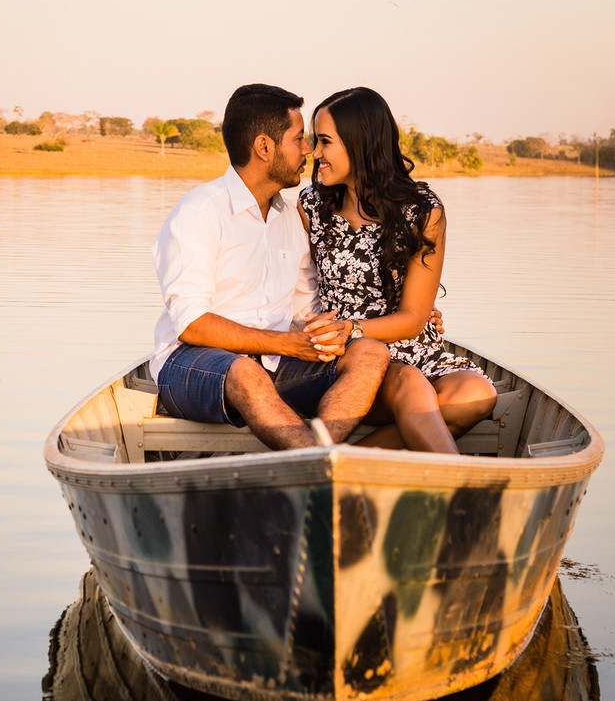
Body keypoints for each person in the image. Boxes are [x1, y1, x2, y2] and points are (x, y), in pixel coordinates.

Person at [150, 83, 390, 452]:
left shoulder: (291, 218)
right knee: (246, 373)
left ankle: (324, 450)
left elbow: (306, 309)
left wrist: (322, 333)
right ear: (264, 147)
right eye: (299, 139)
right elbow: (192, 323)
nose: (309, 150)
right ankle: (312, 462)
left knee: (370, 353)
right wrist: (288, 344)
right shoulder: (200, 212)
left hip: (277, 362)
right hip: (191, 364)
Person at [298, 87, 497, 454]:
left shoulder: (423, 212)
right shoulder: (311, 206)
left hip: (410, 344)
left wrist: (354, 324)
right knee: (411, 385)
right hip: (352, 358)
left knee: (477, 394)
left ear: (361, 143)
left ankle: (346, 462)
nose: (315, 153)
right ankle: (464, 490)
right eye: (314, 141)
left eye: (325, 142)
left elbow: (412, 318)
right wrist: (341, 333)